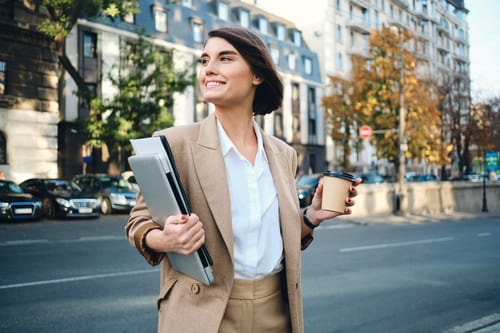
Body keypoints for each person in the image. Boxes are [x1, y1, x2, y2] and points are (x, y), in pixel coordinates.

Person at [126, 26, 361, 333]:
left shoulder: (283, 154)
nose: (209, 68)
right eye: (205, 60)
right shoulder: (173, 144)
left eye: (225, 58)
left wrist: (312, 217)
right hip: (204, 312)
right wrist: (166, 239)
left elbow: (275, 236)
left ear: (257, 75)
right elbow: (138, 224)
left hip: (276, 309)